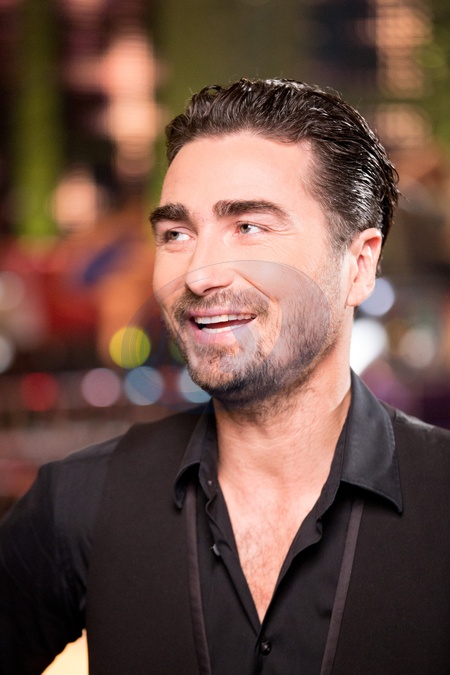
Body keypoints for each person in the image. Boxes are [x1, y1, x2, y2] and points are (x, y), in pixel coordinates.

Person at [1, 78, 450, 675]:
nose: (198, 274)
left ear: (359, 264)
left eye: (249, 227)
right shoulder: (80, 502)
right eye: (177, 234)